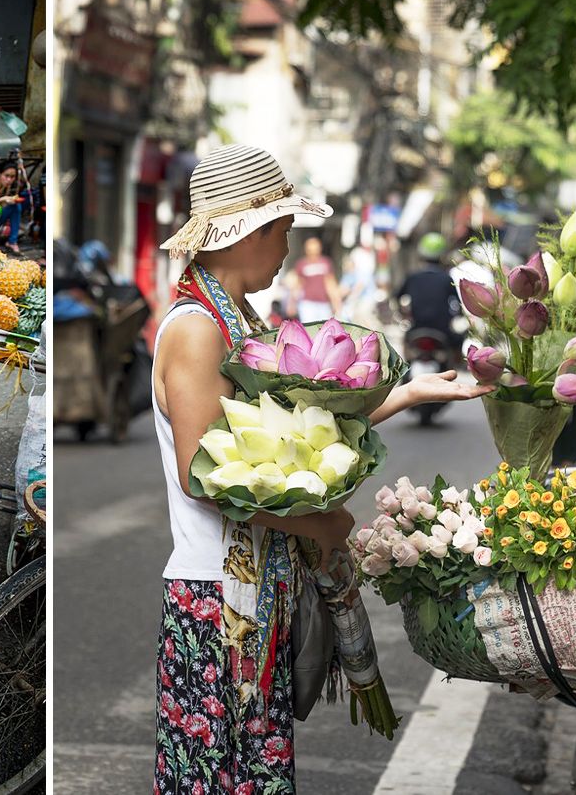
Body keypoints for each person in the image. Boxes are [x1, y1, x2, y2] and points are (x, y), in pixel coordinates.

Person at [151, 145, 492, 792]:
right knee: (219, 777)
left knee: (251, 772)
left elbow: (304, 438)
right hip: (216, 603)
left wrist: (413, 393)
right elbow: (206, 476)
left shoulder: (239, 321)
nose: (286, 246)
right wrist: (321, 522)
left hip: (252, 599)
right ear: (245, 232)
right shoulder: (197, 331)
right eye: (281, 230)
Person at [394, 232, 462, 339]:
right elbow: (457, 304)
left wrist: (404, 314)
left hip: (416, 329)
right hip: (443, 331)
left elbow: (397, 297)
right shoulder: (446, 279)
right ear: (442, 256)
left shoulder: (413, 278)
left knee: (406, 345)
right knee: (459, 342)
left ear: (421, 254)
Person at [287, 235, 341, 322]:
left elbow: (331, 283)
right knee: (309, 331)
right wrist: (292, 303)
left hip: (324, 303)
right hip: (307, 304)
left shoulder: (326, 262)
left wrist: (336, 302)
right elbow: (298, 284)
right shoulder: (302, 264)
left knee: (324, 330)